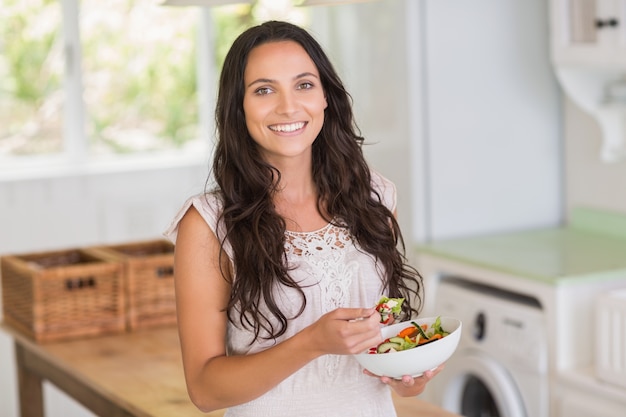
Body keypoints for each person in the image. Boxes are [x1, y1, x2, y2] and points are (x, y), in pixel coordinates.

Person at [164, 20, 441, 417]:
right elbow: (206, 391)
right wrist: (312, 342)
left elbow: (389, 322)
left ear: (326, 96)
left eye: (304, 85)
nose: (288, 106)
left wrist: (407, 370)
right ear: (237, 109)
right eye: (264, 90)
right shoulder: (209, 224)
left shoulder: (376, 197)